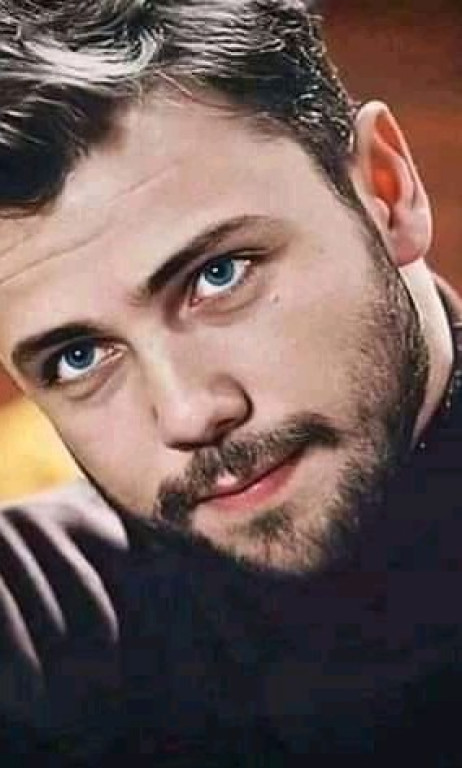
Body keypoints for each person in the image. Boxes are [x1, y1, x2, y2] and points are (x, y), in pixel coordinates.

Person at [0, 0, 461, 763]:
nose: (188, 413)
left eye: (219, 275)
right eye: (78, 357)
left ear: (386, 190)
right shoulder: (43, 621)